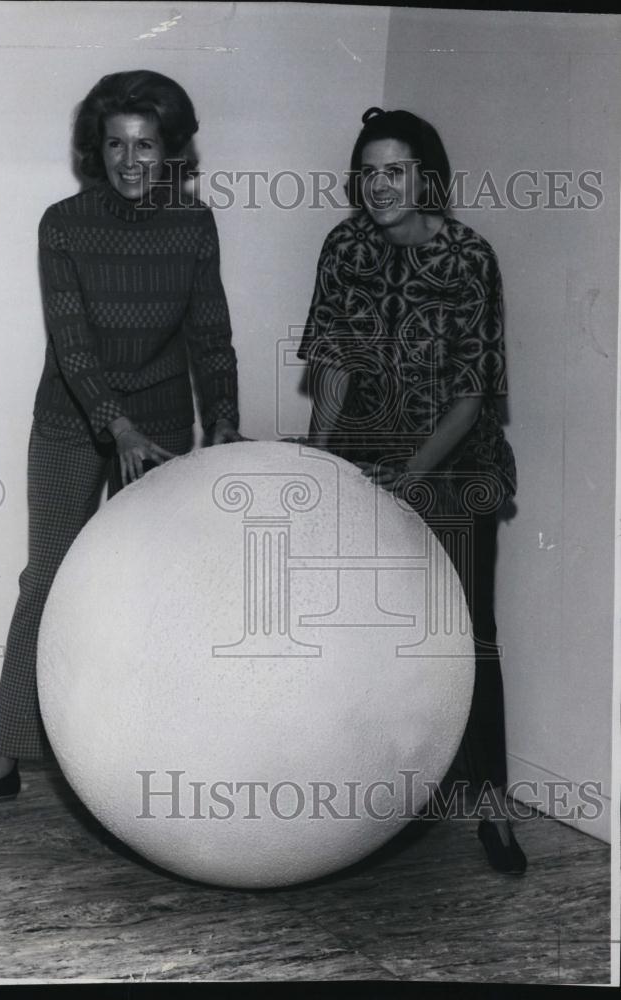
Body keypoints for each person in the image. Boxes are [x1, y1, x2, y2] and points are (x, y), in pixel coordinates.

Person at [0, 69, 241, 815]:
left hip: (161, 429)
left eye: (145, 146)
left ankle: (135, 763)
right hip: (74, 422)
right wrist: (114, 424)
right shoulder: (62, 224)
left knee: (140, 596)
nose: (130, 162)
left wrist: (223, 418)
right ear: (93, 150)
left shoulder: (195, 228)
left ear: (171, 153)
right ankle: (3, 762)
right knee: (48, 582)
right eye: (114, 145)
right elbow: (71, 344)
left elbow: (211, 332)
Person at [298, 107, 526, 874]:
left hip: (454, 465)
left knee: (470, 634)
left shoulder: (469, 257)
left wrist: (413, 479)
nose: (378, 185)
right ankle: (374, 800)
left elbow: (473, 394)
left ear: (426, 176)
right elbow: (331, 361)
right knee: (368, 635)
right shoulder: (344, 246)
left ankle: (493, 807)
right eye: (367, 171)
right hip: (369, 454)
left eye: (393, 170)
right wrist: (323, 460)